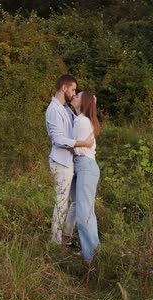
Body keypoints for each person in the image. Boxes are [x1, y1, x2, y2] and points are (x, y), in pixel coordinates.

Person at [45, 74, 94, 245]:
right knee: (62, 202)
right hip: (61, 163)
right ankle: (55, 242)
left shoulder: (65, 109)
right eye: (73, 89)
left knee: (76, 203)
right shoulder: (53, 110)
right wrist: (83, 143)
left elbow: (80, 121)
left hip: (71, 162)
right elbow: (58, 139)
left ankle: (66, 235)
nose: (74, 93)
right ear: (64, 88)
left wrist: (90, 104)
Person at [66, 91, 101, 264]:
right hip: (85, 166)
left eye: (77, 96)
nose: (73, 97)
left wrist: (62, 143)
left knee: (84, 214)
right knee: (85, 212)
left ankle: (91, 258)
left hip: (84, 165)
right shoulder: (84, 119)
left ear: (83, 103)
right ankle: (92, 253)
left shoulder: (81, 121)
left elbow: (75, 146)